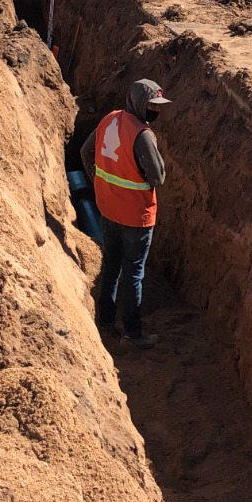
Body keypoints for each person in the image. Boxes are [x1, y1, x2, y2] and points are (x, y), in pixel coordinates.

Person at [80, 79, 171, 346]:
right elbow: (158, 177)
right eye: (153, 105)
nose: (157, 111)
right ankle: (133, 333)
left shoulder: (109, 119)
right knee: (133, 273)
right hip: (135, 217)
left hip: (108, 209)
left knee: (111, 266)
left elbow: (87, 153)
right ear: (141, 104)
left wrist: (99, 180)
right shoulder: (142, 134)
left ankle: (105, 322)